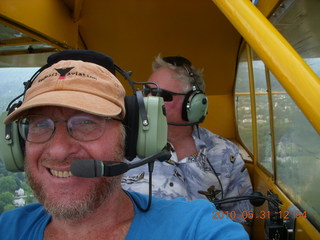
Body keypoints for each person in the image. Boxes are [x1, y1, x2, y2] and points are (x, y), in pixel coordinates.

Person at [0, 50, 248, 240]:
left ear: (129, 137)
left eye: (87, 122)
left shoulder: (197, 226)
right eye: (39, 124)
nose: (58, 150)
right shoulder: (8, 228)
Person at [122, 55, 254, 232]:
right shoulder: (122, 145)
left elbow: (241, 221)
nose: (148, 100)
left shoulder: (225, 154)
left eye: (161, 95)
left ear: (193, 104)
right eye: (147, 91)